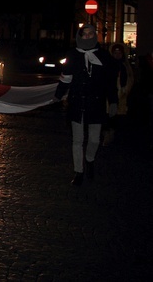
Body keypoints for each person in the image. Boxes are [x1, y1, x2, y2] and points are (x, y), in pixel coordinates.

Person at [54, 23, 118, 186]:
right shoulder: (72, 55)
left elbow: (110, 82)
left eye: (91, 34)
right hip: (77, 102)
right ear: (79, 36)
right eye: (84, 34)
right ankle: (79, 171)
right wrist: (58, 95)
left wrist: (113, 101)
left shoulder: (104, 56)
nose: (88, 36)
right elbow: (66, 77)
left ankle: (89, 159)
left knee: (95, 139)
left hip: (96, 103)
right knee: (77, 139)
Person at [103, 43, 134, 145]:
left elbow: (130, 79)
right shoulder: (108, 65)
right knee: (109, 116)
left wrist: (125, 90)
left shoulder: (125, 66)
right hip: (110, 95)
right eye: (115, 53)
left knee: (119, 118)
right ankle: (108, 135)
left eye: (119, 53)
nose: (117, 55)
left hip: (122, 95)